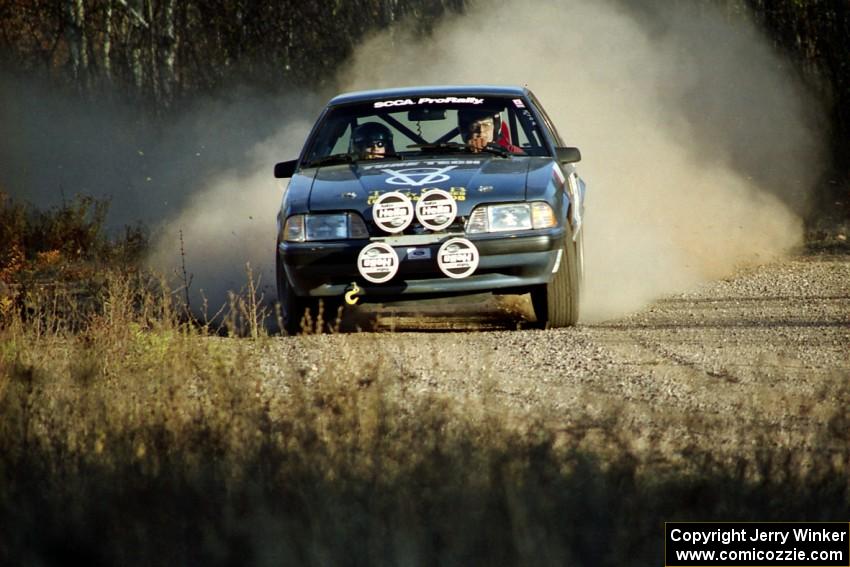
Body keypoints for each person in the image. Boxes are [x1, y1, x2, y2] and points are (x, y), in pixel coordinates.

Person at [457, 108, 524, 154]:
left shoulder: (511, 152)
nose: (481, 132)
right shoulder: (454, 154)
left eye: (486, 125)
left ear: (495, 129)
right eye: (475, 126)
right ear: (467, 131)